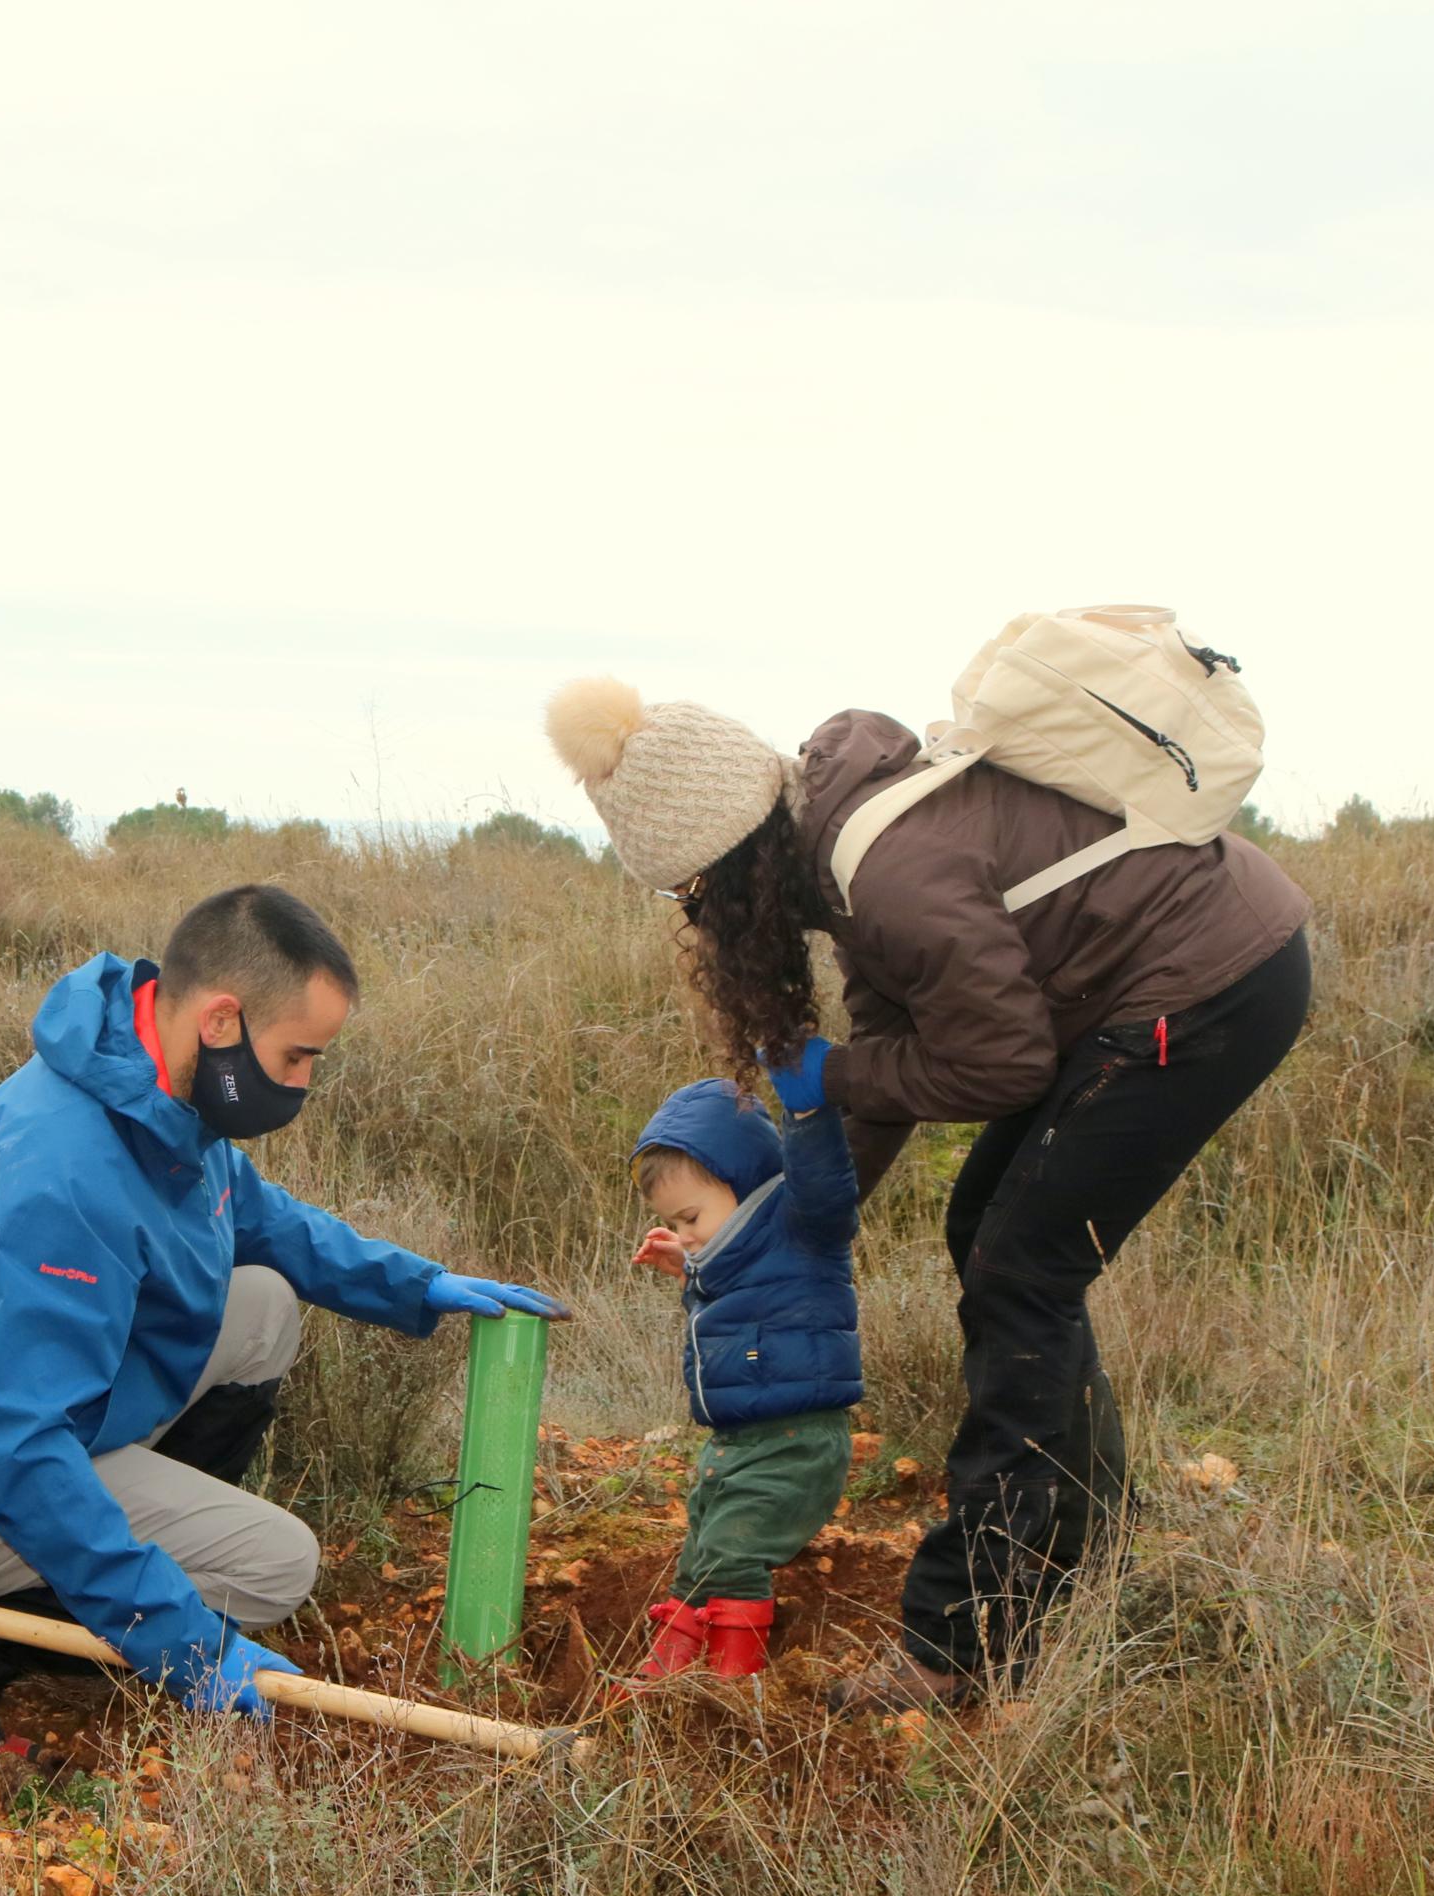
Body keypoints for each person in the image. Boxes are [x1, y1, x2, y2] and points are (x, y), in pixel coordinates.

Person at [547, 676, 1310, 1710]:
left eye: (692, 892)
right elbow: (899, 1048)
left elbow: (998, 1062)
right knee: (989, 1236)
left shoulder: (887, 873)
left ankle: (961, 1638)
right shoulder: (838, 851)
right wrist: (784, 1223)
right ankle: (1089, 1541)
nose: (699, 918)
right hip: (1170, 971)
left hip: (1207, 982)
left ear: (731, 860)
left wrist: (839, 1075)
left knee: (1019, 1270)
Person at [0, 884, 562, 1776]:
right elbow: (17, 1456)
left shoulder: (154, 1085)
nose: (302, 1084)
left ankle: (134, 1565)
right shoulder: (65, 1175)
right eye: (297, 1056)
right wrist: (186, 1644)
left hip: (34, 1409)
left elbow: (260, 1219)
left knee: (261, 1305)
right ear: (222, 1020)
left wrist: (416, 1285)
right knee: (275, 1570)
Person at [626, 1075, 863, 1677]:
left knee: (733, 1556)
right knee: (699, 1560)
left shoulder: (801, 1228)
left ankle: (732, 1683)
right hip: (732, 1447)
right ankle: (673, 1674)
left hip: (795, 1441)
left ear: (746, 1185)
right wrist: (689, 1272)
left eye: (690, 1217)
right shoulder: (724, 1265)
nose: (683, 1233)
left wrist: (808, 1110)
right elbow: (745, 1316)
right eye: (673, 1223)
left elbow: (825, 1184)